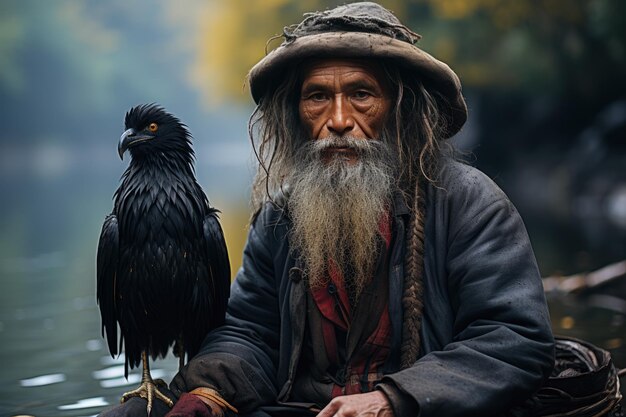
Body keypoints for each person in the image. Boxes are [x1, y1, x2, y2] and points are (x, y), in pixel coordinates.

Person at [100, 2, 554, 416]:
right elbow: (250, 335)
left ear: (400, 108)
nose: (338, 120)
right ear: (297, 113)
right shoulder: (280, 217)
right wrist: (205, 394)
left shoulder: (470, 204)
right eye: (317, 97)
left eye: (361, 95)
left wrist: (391, 400)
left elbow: (514, 339)